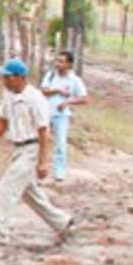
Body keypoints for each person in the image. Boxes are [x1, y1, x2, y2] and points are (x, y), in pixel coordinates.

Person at [0, 59, 74, 246]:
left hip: (32, 148)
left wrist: (43, 162)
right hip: (18, 148)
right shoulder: (8, 95)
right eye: (4, 77)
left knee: (7, 187)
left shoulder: (35, 98)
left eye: (8, 77)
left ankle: (0, 232)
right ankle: (61, 222)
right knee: (29, 193)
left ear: (20, 77)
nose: (4, 80)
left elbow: (44, 131)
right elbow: (3, 122)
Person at [39, 51, 89, 182]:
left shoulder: (75, 80)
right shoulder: (50, 75)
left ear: (69, 64)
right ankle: (39, 167)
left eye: (61, 61)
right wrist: (57, 90)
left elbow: (84, 99)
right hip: (45, 113)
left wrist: (68, 102)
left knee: (60, 143)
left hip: (61, 115)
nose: (58, 64)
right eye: (57, 61)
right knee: (41, 141)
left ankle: (59, 171)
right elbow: (43, 91)